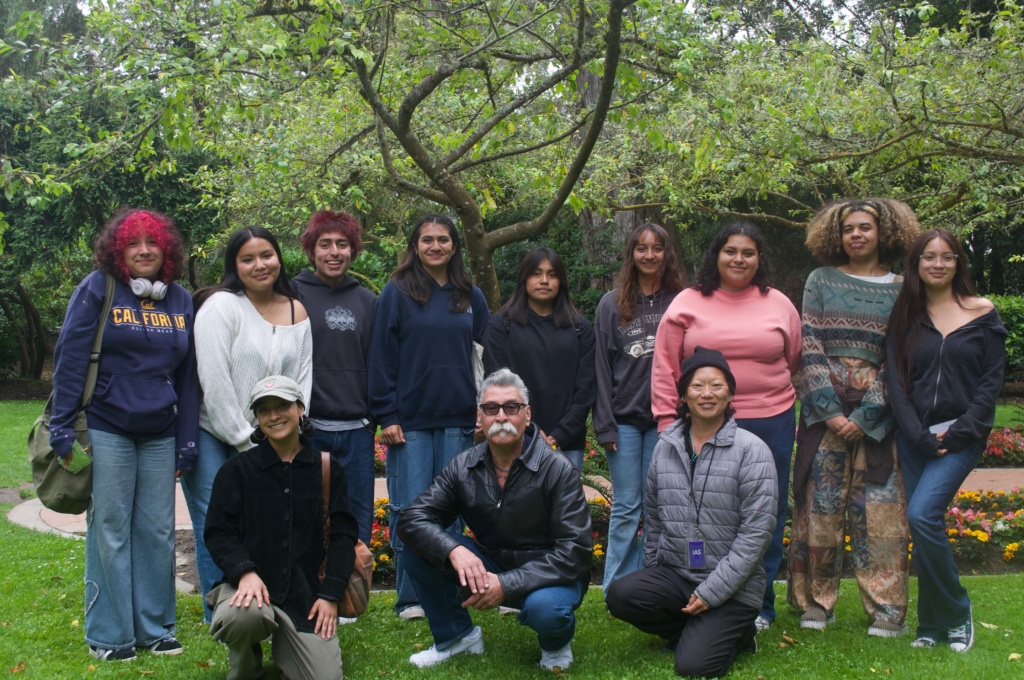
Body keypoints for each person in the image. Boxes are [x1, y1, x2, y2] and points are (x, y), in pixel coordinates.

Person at [50, 208, 198, 661]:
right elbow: (71, 356)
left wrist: (186, 438)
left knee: (156, 531)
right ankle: (110, 635)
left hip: (159, 430)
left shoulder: (180, 300)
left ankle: (156, 628)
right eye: (133, 243)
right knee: (110, 528)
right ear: (119, 250)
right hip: (107, 425)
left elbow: (189, 377)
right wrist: (61, 425)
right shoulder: (100, 288)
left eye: (152, 243)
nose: (144, 251)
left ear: (166, 250)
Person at [650, 222, 800, 630]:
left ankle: (759, 607)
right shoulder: (687, 302)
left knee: (763, 517)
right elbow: (665, 367)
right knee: (702, 517)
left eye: (748, 252)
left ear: (759, 259)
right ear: (715, 255)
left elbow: (796, 358)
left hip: (770, 421)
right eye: (730, 251)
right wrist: (668, 423)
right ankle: (691, 595)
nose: (739, 259)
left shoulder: (779, 304)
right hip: (700, 423)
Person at [397, 368, 592, 670]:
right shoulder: (463, 467)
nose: (501, 416)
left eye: (511, 407)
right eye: (491, 408)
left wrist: (505, 583)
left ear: (527, 415)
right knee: (419, 547)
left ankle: (556, 645)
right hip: (490, 563)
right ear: (480, 417)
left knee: (546, 610)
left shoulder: (558, 470)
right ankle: (457, 637)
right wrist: (453, 549)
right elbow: (412, 519)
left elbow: (575, 553)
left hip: (550, 575)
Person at [786, 198, 919, 636]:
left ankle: (885, 609)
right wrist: (829, 411)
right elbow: (810, 344)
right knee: (819, 508)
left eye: (865, 228)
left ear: (884, 233)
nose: (856, 235)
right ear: (836, 235)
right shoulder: (820, 280)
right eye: (848, 229)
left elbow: (901, 353)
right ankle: (817, 602)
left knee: (879, 512)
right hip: (825, 414)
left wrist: (867, 414)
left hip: (880, 415)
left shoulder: (904, 287)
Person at [606, 348, 776, 679]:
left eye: (717, 385)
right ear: (684, 393)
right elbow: (654, 520)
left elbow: (755, 536)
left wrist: (712, 592)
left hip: (733, 587)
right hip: (679, 575)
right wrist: (654, 573)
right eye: (698, 386)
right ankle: (698, 629)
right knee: (621, 595)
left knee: (693, 667)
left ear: (730, 392)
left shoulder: (752, 451)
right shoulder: (665, 447)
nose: (707, 394)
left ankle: (739, 635)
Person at [182, 227, 312, 623]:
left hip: (272, 437)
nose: (260, 265)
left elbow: (302, 380)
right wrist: (246, 440)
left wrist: (287, 433)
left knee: (264, 521)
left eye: (267, 255)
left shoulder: (296, 310)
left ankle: (267, 604)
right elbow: (215, 380)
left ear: (279, 258)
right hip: (216, 435)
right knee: (215, 523)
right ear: (234, 266)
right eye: (248, 258)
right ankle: (220, 614)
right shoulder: (221, 307)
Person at [886, 229, 1006, 652]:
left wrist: (958, 433)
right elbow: (896, 383)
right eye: (929, 257)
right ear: (916, 264)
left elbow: (990, 383)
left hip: (961, 437)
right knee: (925, 526)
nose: (938, 264)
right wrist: (918, 435)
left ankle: (957, 613)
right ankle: (930, 625)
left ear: (959, 263)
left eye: (947, 257)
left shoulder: (982, 312)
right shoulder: (905, 315)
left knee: (921, 515)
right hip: (914, 436)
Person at [368, 214, 491, 620]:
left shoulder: (469, 296)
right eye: (427, 240)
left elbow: (482, 358)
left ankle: (451, 595)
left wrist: (485, 408)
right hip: (411, 423)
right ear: (415, 245)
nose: (435, 246)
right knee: (410, 510)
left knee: (450, 512)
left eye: (443, 239)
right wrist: (387, 415)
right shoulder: (397, 292)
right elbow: (382, 359)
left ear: (454, 245)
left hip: (458, 419)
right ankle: (411, 598)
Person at [204, 375, 359, 680]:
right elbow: (218, 532)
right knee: (243, 617)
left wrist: (330, 596)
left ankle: (289, 645)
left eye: (282, 406)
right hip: (250, 592)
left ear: (300, 408)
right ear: (257, 418)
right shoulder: (237, 470)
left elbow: (343, 537)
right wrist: (244, 571)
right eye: (264, 410)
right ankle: (247, 665)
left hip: (306, 598)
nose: (274, 416)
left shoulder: (329, 469)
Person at [593, 223, 685, 593]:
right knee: (628, 506)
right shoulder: (611, 304)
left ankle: (652, 578)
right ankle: (616, 583)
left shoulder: (681, 300)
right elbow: (600, 368)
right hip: (626, 421)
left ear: (667, 253)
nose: (650, 255)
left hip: (668, 420)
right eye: (642, 248)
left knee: (660, 505)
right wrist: (605, 425)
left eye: (657, 248)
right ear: (631, 254)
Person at [292, 209, 377, 548]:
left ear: (353, 251)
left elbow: (377, 362)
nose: (334, 252)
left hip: (357, 431)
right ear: (311, 251)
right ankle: (308, 597)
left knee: (356, 522)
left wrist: (372, 418)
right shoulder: (291, 295)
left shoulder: (368, 301)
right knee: (306, 520)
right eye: (325, 244)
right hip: (308, 429)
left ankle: (351, 597)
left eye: (342, 244)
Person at [482, 247, 596, 470]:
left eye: (552, 274)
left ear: (561, 281)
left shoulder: (579, 328)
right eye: (536, 273)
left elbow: (586, 389)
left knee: (563, 505)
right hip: (513, 438)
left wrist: (559, 435)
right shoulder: (501, 325)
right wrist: (529, 429)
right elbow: (496, 386)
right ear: (524, 278)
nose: (544, 280)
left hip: (566, 444)